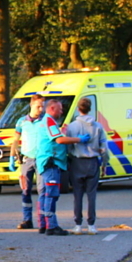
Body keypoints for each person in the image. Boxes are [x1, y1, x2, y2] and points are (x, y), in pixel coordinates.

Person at [31, 98, 90, 236]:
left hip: (45, 162)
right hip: (51, 163)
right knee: (51, 194)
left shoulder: (45, 121)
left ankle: (43, 224)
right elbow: (59, 140)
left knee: (45, 194)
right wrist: (79, 140)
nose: (62, 111)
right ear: (52, 109)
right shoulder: (49, 121)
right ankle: (51, 226)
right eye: (60, 109)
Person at [65, 97, 108, 234]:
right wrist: (104, 163)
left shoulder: (72, 126)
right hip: (93, 161)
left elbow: (68, 146)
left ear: (78, 109)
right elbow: (104, 147)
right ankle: (91, 225)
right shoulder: (98, 126)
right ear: (90, 109)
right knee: (91, 194)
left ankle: (78, 224)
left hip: (77, 161)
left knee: (77, 195)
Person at [9, 94, 45, 230]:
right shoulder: (22, 122)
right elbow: (15, 140)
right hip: (27, 160)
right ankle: (27, 219)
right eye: (38, 106)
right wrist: (12, 157)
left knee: (42, 190)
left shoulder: (45, 121)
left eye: (43, 106)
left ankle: (43, 220)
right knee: (25, 190)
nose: (41, 109)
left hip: (42, 159)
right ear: (31, 105)